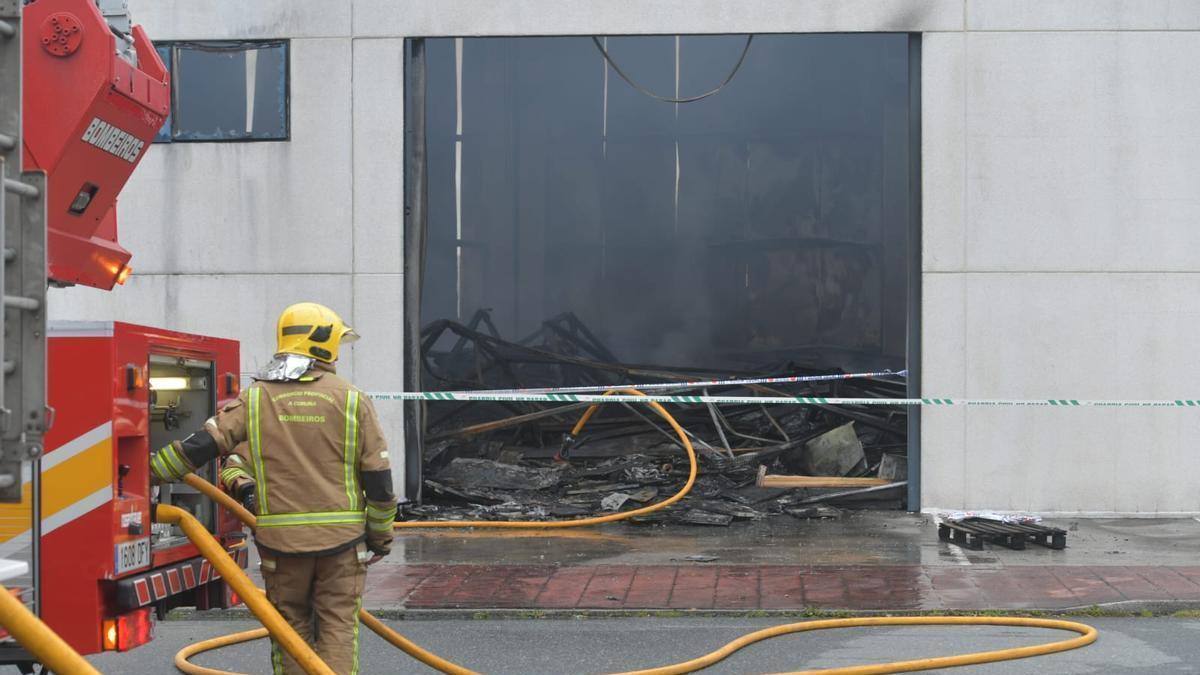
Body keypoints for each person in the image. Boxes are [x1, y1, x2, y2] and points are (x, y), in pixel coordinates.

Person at [150, 302, 398, 675]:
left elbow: (202, 445)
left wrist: (148, 472)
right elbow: (378, 480)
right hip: (343, 545)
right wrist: (380, 538)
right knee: (338, 629)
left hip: (282, 546)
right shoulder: (351, 399)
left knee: (289, 629)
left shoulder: (257, 398)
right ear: (325, 344)